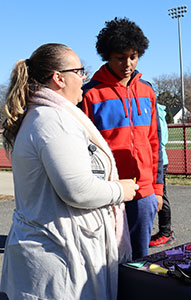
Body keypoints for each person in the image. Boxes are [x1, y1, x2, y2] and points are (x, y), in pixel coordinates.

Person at [0, 43, 138, 299]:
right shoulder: (52, 120)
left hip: (54, 250)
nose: (83, 79)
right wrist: (121, 190)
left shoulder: (47, 116)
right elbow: (77, 190)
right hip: (57, 258)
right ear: (59, 78)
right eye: (80, 71)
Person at [80, 17, 163, 259]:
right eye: (120, 57)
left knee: (140, 259)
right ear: (107, 55)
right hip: (107, 193)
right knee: (105, 260)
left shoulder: (147, 91)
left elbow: (155, 143)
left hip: (144, 193)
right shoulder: (89, 94)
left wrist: (157, 189)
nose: (127, 63)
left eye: (133, 56)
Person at [150, 103, 176, 247]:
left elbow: (159, 140)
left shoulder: (156, 112)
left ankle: (166, 232)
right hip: (158, 159)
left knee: (160, 195)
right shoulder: (157, 110)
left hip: (158, 160)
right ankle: (164, 232)